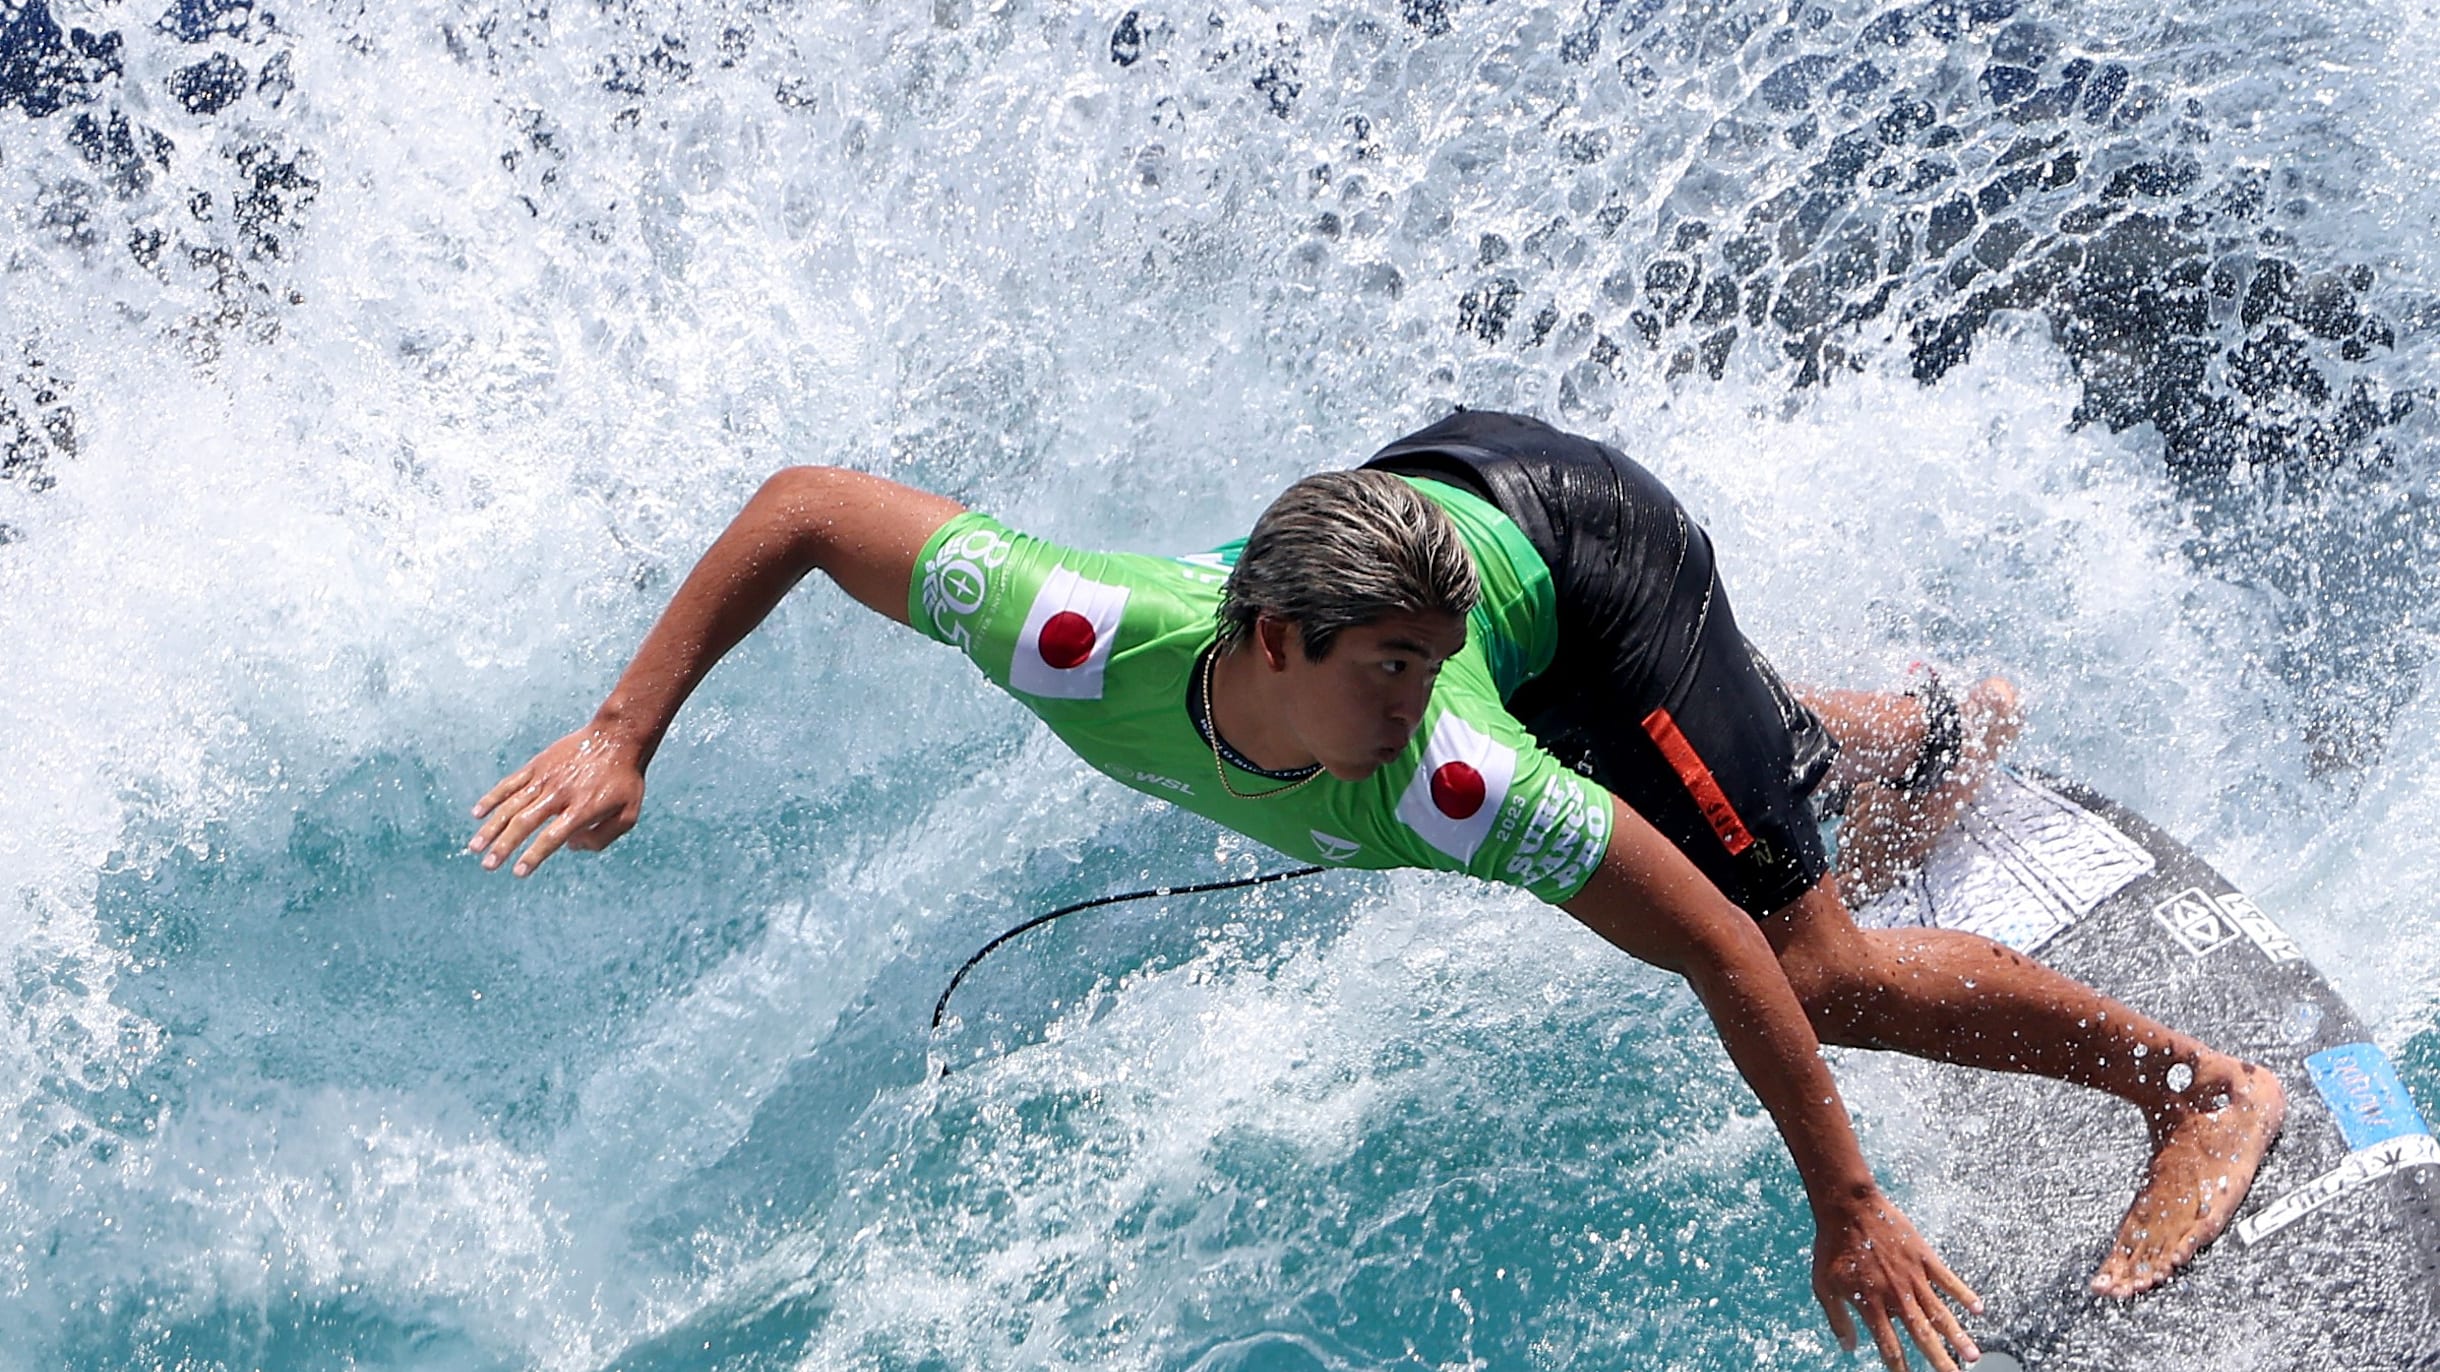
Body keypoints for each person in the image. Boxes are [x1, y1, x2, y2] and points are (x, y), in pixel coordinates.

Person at [469, 410, 2283, 1372]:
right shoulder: (1077, 632)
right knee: (1709, 773)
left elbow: (1726, 954)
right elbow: (801, 506)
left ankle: (2201, 1093)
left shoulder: (1458, 772)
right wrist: (625, 736)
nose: (1414, 716)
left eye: (1428, 679)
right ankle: (1900, 736)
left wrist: (1852, 1204)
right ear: (1269, 638)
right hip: (1437, 507)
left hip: (1590, 549)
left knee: (1825, 960)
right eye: (1385, 675)